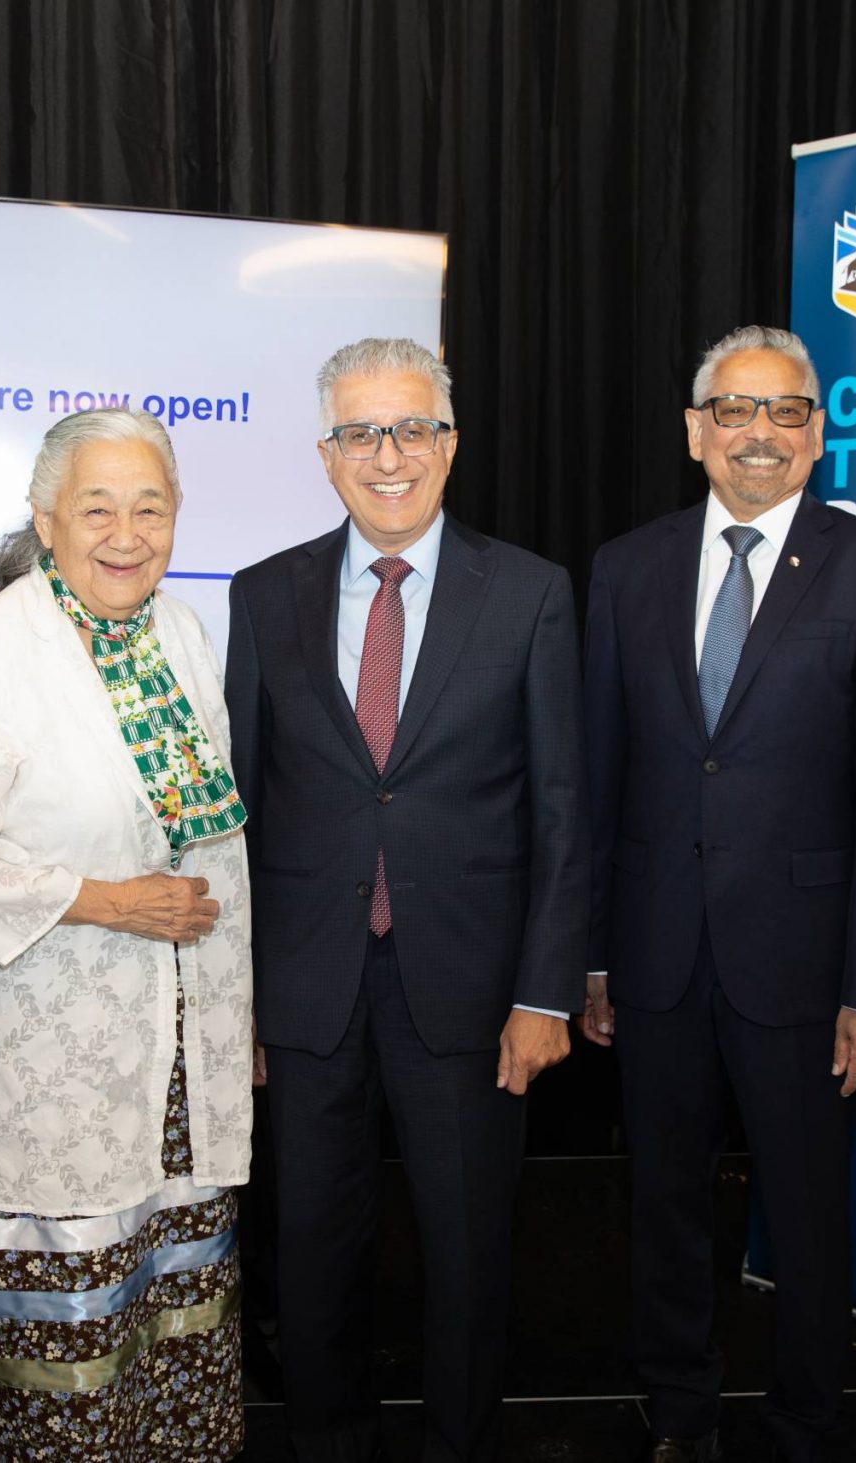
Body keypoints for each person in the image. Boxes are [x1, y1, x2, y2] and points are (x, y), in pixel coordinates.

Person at [225, 337, 588, 1463]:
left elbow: (562, 810)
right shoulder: (263, 592)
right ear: (326, 453)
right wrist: (234, 999)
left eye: (412, 429)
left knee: (469, 1253)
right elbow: (232, 811)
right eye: (360, 433)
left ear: (450, 444)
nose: (389, 457)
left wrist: (544, 994)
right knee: (313, 1250)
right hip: (305, 986)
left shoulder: (527, 591)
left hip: (473, 993)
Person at [582, 325, 856, 1462]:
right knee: (662, 1207)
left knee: (807, 1213)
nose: (760, 433)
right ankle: (677, 1412)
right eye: (735, 410)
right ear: (695, 432)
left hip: (805, 962)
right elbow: (600, 772)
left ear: (818, 434)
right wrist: (589, 956)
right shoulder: (625, 568)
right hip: (655, 955)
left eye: (786, 411)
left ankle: (802, 1422)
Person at [0, 408, 253, 1462]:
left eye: (149, 507)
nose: (125, 531)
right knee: (68, 1342)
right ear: (44, 518)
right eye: (95, 506)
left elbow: (217, 855)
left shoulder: (184, 634)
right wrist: (109, 900)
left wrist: (240, 1024)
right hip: (44, 1064)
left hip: (181, 1067)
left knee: (177, 1325)